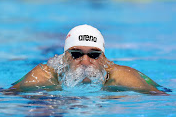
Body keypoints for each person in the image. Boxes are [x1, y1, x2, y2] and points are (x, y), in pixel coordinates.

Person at [9, 24, 169, 95]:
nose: (85, 61)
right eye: (76, 54)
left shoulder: (121, 78)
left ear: (103, 58)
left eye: (93, 54)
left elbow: (163, 98)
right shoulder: (44, 76)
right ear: (65, 57)